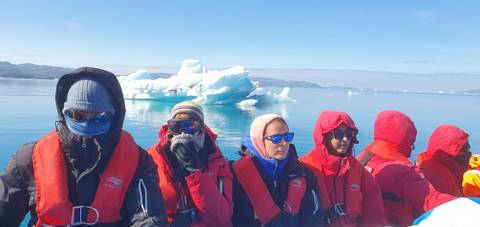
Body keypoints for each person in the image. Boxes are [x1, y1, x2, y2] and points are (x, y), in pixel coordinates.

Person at [0, 67, 166, 226]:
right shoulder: (29, 158)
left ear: (114, 116)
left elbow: (148, 217)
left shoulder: (137, 161)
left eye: (99, 116)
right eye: (77, 115)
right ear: (64, 113)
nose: (87, 123)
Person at [357, 110, 455, 227]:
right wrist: (470, 206)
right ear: (404, 140)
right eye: (411, 142)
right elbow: (431, 200)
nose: (411, 149)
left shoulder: (361, 159)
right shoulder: (404, 172)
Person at [147, 101, 233, 226]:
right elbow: (150, 209)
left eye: (190, 126)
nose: (182, 132)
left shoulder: (216, 159)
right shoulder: (156, 155)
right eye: (176, 126)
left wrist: (195, 171)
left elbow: (220, 216)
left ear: (201, 127)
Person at [231, 114, 323, 227]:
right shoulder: (234, 176)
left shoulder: (304, 175)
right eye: (276, 138)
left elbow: (313, 219)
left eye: (287, 137)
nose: (284, 143)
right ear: (258, 140)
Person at [300, 111, 386, 227]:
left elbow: (374, 216)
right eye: (339, 134)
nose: (345, 139)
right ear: (324, 136)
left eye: (349, 134)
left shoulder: (358, 172)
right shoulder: (305, 168)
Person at [416, 125, 471, 196]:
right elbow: (456, 204)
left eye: (468, 149)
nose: (468, 153)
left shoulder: (450, 166)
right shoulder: (439, 179)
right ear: (450, 153)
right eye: (464, 150)